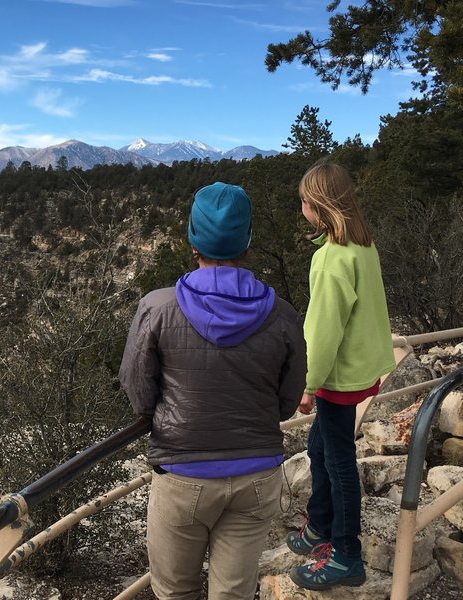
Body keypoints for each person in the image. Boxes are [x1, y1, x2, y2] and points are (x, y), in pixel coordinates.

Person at [119, 182, 306, 600]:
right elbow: (288, 399)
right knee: (234, 593)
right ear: (248, 240)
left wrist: (163, 413)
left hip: (183, 472)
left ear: (192, 239)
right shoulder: (282, 314)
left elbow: (137, 390)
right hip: (256, 474)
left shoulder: (158, 307)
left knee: (174, 590)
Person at [287, 161, 396, 590]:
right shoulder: (363, 247)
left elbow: (322, 329)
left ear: (314, 206)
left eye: (302, 202)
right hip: (362, 369)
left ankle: (346, 553)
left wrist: (307, 383)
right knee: (320, 449)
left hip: (339, 379)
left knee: (339, 461)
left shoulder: (330, 258)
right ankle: (320, 524)